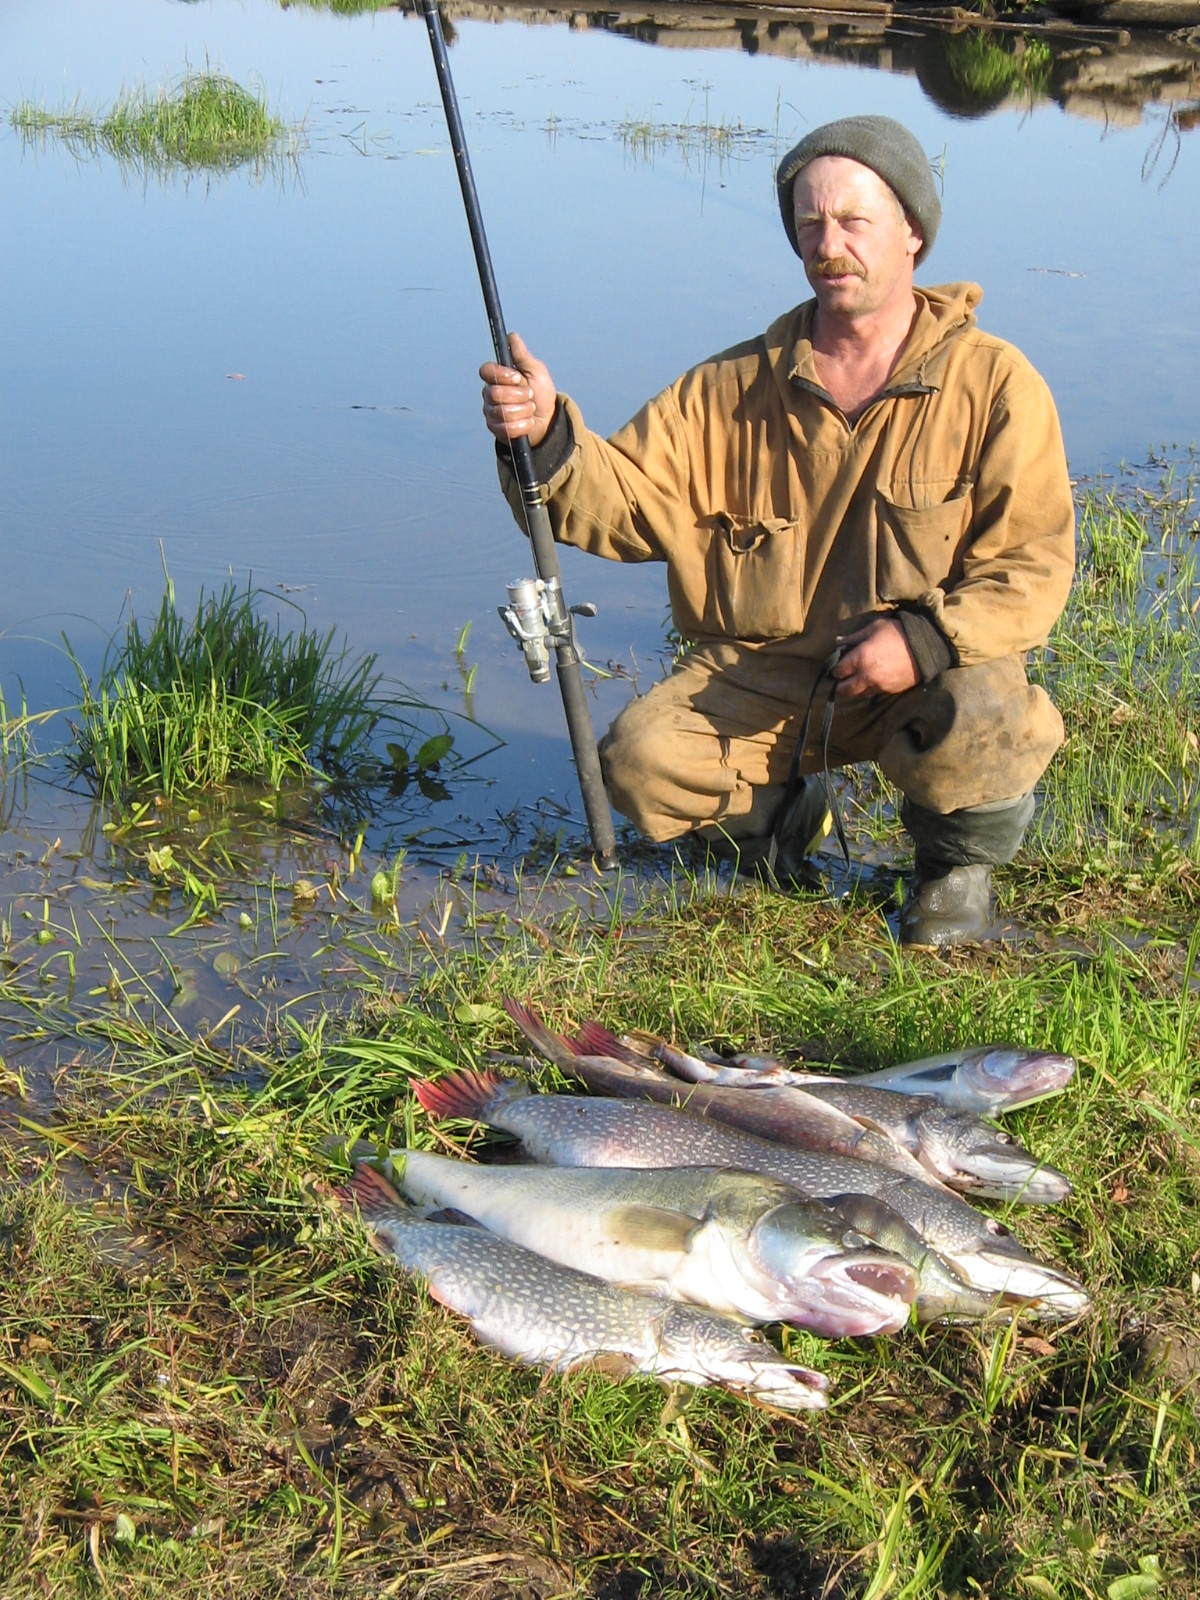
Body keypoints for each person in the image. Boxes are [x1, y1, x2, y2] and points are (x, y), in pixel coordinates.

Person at [479, 114, 1075, 946]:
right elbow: (620, 504)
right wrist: (544, 434)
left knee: (985, 704)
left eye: (854, 221)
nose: (828, 243)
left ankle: (951, 877)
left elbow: (1032, 568)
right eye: (809, 223)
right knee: (640, 761)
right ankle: (781, 824)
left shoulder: (998, 383)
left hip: (921, 672)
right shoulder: (728, 387)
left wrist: (926, 641)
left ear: (913, 234)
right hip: (768, 679)